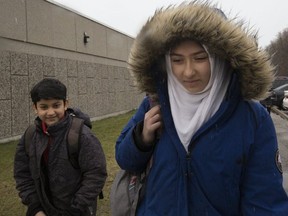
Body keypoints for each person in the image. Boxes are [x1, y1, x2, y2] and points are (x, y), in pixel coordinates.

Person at [115, 1, 288, 215]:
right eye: (177, 60)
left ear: (220, 57)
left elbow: (265, 203)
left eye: (200, 58)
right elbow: (123, 158)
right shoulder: (155, 102)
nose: (188, 72)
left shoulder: (252, 118)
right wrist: (141, 138)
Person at [14, 78, 107, 216]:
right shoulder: (29, 135)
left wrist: (75, 209)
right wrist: (35, 208)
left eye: (56, 105)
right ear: (35, 108)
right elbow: (22, 174)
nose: (50, 112)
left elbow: (96, 174)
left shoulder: (82, 135)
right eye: (44, 107)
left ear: (65, 104)